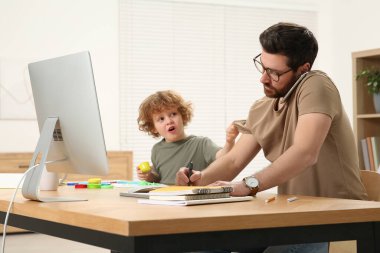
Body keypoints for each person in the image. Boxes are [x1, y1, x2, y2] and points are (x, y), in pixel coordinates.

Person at [176, 22, 368, 253]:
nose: (264, 79)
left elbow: (305, 153)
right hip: (289, 216)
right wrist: (200, 179)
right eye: (263, 67)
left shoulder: (316, 85)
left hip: (335, 219)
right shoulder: (263, 106)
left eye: (275, 73)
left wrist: (248, 186)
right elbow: (234, 160)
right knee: (202, 245)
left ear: (303, 69)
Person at [137, 90, 239, 185]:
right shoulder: (157, 149)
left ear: (183, 116)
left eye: (173, 114)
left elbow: (224, 158)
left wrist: (230, 141)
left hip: (191, 199)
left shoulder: (201, 143)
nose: (169, 121)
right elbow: (158, 178)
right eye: (161, 119)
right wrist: (149, 176)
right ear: (153, 127)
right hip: (164, 199)